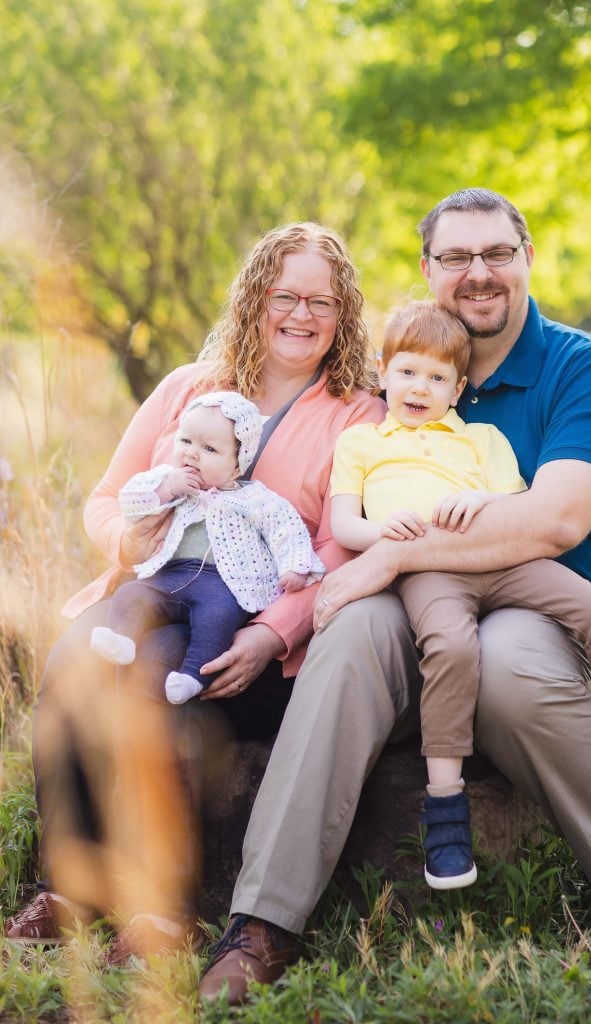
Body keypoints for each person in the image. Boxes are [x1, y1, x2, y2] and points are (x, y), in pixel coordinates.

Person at [199, 188, 591, 1005]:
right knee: (349, 638)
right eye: (455, 257)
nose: (477, 272)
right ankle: (264, 920)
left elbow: (555, 519)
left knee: (509, 663)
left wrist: (384, 559)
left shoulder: (581, 366)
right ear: (427, 271)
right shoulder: (404, 376)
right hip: (427, 597)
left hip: (559, 606)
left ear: (527, 258)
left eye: (496, 252)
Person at [4, 222, 385, 963]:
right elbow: (107, 497)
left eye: (322, 301)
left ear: (344, 314)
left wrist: (274, 630)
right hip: (144, 599)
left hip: (256, 635)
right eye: (284, 296)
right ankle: (70, 888)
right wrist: (130, 539)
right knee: (72, 664)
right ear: (254, 300)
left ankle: (164, 915)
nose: (301, 315)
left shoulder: (357, 411)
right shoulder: (189, 387)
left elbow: (341, 544)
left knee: (154, 698)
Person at [330, 298, 591, 890]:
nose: (420, 388)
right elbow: (343, 523)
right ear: (382, 370)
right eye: (408, 372)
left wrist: (486, 501)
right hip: (428, 572)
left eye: (438, 378)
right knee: (450, 648)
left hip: (501, 559)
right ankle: (445, 804)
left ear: (458, 386)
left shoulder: (482, 437)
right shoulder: (361, 443)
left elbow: (520, 499)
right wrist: (379, 535)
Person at [90, 390, 325, 705]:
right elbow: (129, 500)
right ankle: (121, 639)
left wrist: (295, 565)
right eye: (186, 442)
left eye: (209, 448)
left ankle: (191, 677)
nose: (192, 454)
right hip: (171, 575)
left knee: (216, 620)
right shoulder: (170, 480)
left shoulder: (254, 498)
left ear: (237, 463)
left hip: (224, 586)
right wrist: (166, 488)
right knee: (132, 595)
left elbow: (287, 529)